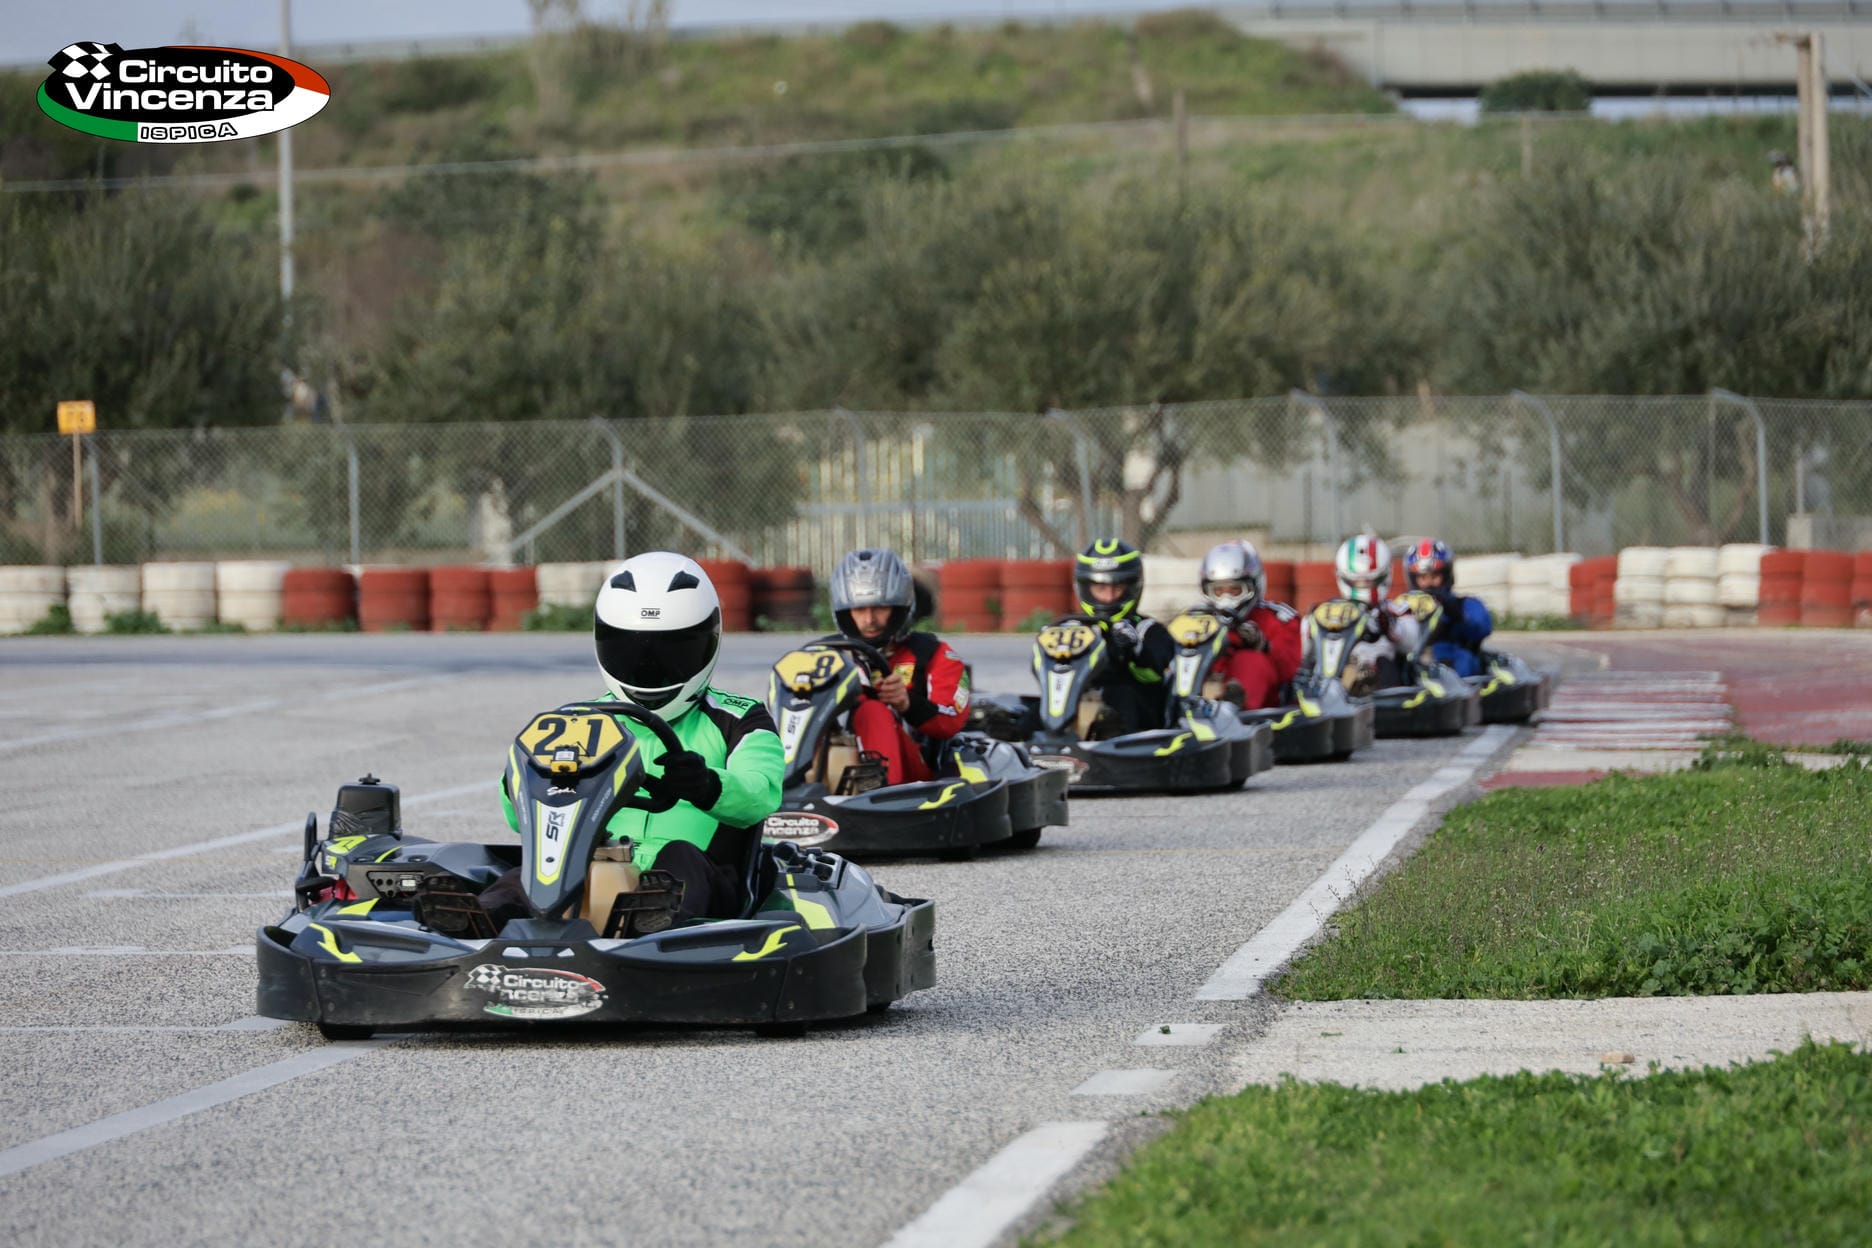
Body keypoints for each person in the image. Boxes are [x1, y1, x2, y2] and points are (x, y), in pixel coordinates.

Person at [479, 551, 784, 927]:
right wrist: (528, 780)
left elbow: (760, 794)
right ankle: (480, 920)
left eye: (672, 650)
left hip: (702, 883)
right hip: (597, 868)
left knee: (680, 857)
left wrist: (708, 785)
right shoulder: (579, 722)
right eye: (630, 650)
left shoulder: (740, 719)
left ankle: (651, 922)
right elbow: (517, 818)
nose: (648, 666)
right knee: (525, 878)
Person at [830, 548, 970, 786]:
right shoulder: (830, 657)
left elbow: (952, 720)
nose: (869, 619)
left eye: (880, 608)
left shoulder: (933, 654)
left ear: (899, 608)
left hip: (914, 773)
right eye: (859, 609)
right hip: (840, 763)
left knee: (872, 711)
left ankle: (882, 794)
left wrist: (907, 704)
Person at [1075, 538, 1176, 734]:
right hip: (1081, 700)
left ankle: (1111, 734)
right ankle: (1023, 737)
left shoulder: (1148, 630)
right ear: (1086, 588)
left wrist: (1134, 649)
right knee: (1037, 708)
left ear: (1132, 587)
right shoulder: (1077, 629)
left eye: (1117, 588)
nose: (1109, 597)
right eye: (1101, 589)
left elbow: (1157, 673)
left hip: (1140, 716)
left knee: (1120, 695)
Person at [1198, 539, 1301, 710]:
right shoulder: (1200, 619)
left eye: (1235, 590)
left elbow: (1291, 667)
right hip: (1202, 697)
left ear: (1254, 585)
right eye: (1218, 591)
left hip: (1264, 706)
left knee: (1250, 659)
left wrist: (1264, 646)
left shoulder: (1277, 618)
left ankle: (1232, 705)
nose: (1226, 599)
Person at [1320, 533, 1424, 694]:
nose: (1363, 587)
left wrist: (1389, 626)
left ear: (1385, 575)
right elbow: (1305, 653)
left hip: (1385, 677)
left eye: (1370, 581)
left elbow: (1413, 642)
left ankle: (1370, 690)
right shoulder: (1331, 612)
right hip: (1342, 672)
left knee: (1383, 664)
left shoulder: (1397, 610)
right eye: (1357, 582)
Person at [1402, 537, 1493, 678]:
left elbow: (1482, 627)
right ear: (1413, 579)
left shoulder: (1464, 604)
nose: (1429, 583)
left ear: (1447, 575)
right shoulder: (1404, 606)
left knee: (1463, 658)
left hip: (1452, 666)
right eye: (1423, 578)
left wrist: (1455, 613)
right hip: (1413, 664)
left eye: (1435, 576)